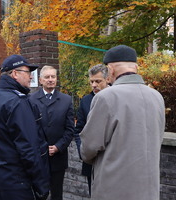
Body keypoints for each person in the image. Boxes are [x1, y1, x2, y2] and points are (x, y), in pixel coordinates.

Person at [80, 45, 165, 200]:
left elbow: (88, 148)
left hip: (114, 189)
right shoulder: (157, 97)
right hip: (149, 190)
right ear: (136, 68)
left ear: (111, 70)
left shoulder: (106, 97)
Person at [0, 55, 50, 200]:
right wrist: (41, 185)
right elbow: (28, 148)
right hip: (17, 181)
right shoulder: (17, 102)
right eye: (28, 73)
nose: (31, 78)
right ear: (15, 74)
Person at [30, 65, 75, 200]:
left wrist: (58, 147)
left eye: (53, 76)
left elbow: (70, 129)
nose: (50, 80)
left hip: (58, 157)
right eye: (47, 77)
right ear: (41, 80)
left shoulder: (66, 100)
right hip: (38, 156)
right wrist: (40, 147)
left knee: (57, 194)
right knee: (39, 194)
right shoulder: (31, 99)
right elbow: (29, 128)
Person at [74, 64, 109, 197]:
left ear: (107, 80)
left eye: (98, 81)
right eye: (91, 81)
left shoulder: (117, 98)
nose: (94, 85)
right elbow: (78, 130)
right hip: (91, 162)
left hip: (112, 162)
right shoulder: (85, 101)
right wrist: (83, 152)